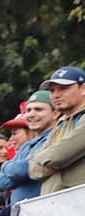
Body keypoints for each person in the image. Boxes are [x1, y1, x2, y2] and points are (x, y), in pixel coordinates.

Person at [29, 66, 85, 196]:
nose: (56, 95)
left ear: (83, 88)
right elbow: (32, 168)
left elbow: (58, 156)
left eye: (64, 88)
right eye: (52, 90)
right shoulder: (61, 124)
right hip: (57, 206)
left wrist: (43, 160)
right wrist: (47, 163)